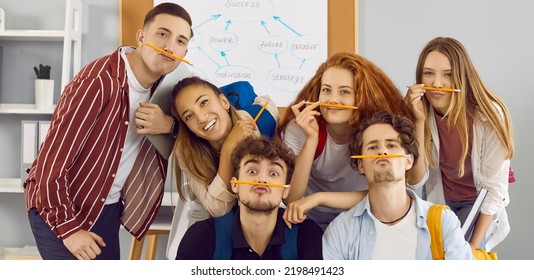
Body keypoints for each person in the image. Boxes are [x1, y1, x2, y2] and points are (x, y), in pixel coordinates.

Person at [23, 3, 193, 260]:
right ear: (141, 37)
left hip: (106, 209)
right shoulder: (99, 82)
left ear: (185, 51)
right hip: (60, 206)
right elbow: (50, 165)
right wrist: (69, 230)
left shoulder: (170, 89)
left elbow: (201, 132)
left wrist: (169, 126)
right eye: (162, 34)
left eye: (180, 41)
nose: (170, 46)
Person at [277, 52, 417, 230]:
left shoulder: (377, 133)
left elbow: (391, 192)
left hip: (363, 216)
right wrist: (311, 139)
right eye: (326, 90)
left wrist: (320, 198)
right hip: (308, 219)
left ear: (362, 97)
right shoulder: (300, 129)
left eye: (344, 92)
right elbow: (291, 199)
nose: (333, 99)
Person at [405, 37, 514, 251]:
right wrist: (417, 121)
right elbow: (415, 180)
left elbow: (494, 190)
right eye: (429, 74)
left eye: (448, 75)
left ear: (462, 77)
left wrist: (472, 246)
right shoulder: (418, 111)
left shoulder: (491, 116)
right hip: (439, 202)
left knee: (460, 256)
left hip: (477, 206)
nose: (437, 83)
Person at [323, 111, 474, 260]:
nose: (382, 151)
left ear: (408, 161)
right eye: (373, 147)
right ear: (361, 164)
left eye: (391, 145)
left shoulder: (443, 222)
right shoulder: (340, 231)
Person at [176, 136, 323, 260]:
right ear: (235, 185)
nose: (262, 179)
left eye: (273, 174)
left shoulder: (307, 236)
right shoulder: (202, 236)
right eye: (252, 171)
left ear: (286, 191)